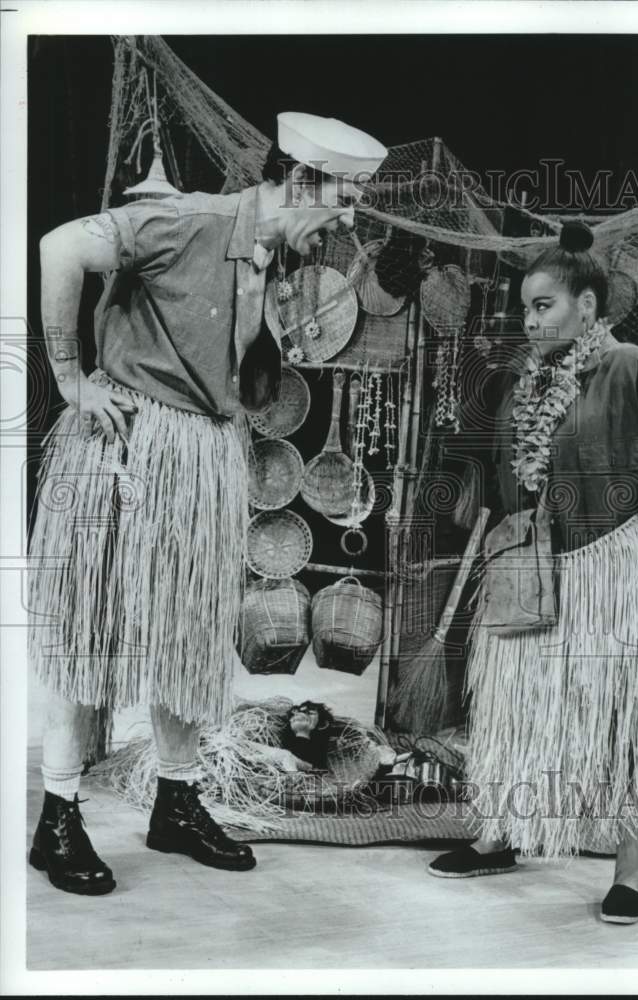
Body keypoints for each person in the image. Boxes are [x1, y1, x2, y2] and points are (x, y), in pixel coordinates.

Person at [27, 111, 387, 895]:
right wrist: (68, 379)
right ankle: (58, 816)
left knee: (186, 629)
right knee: (91, 624)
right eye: (346, 198)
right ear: (301, 181)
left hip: (203, 453)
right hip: (126, 442)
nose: (349, 218)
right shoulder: (185, 220)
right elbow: (60, 246)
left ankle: (176, 800)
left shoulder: (270, 256)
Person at [428, 221, 638, 924]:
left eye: (543, 306)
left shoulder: (635, 366)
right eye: (525, 309)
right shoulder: (526, 380)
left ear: (589, 309)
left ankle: (630, 874)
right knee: (513, 706)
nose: (529, 321)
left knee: (620, 715)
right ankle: (500, 833)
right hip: (536, 566)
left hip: (614, 573)